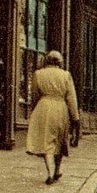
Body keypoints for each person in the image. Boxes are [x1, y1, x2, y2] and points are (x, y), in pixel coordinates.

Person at [26, 51, 80, 185]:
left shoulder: (38, 74)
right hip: (61, 108)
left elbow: (34, 95)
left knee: (47, 143)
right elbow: (71, 98)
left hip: (43, 108)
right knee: (60, 141)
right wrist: (75, 117)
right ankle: (56, 170)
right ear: (59, 62)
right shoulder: (66, 75)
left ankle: (50, 173)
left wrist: (34, 110)